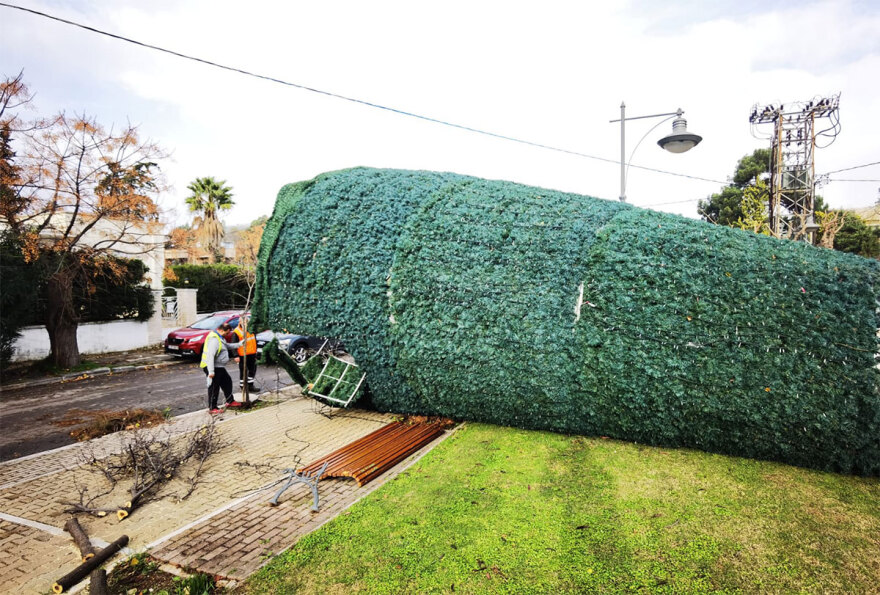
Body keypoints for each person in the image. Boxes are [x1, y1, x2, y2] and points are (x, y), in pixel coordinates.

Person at [201, 322, 243, 414]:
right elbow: (210, 356)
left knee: (227, 381)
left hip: (219, 366)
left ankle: (230, 401)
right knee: (214, 387)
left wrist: (239, 344)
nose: (227, 334)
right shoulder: (214, 340)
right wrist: (211, 371)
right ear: (220, 330)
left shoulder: (220, 337)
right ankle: (212, 408)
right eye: (226, 333)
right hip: (212, 367)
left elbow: (226, 346)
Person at [232, 319, 259, 393]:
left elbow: (254, 341)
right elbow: (234, 344)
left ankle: (250, 385)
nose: (245, 323)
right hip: (242, 355)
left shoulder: (251, 329)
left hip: (252, 353)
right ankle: (243, 387)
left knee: (252, 370)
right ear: (240, 322)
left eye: (246, 322)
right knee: (243, 371)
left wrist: (256, 351)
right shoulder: (237, 332)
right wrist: (235, 355)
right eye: (243, 322)